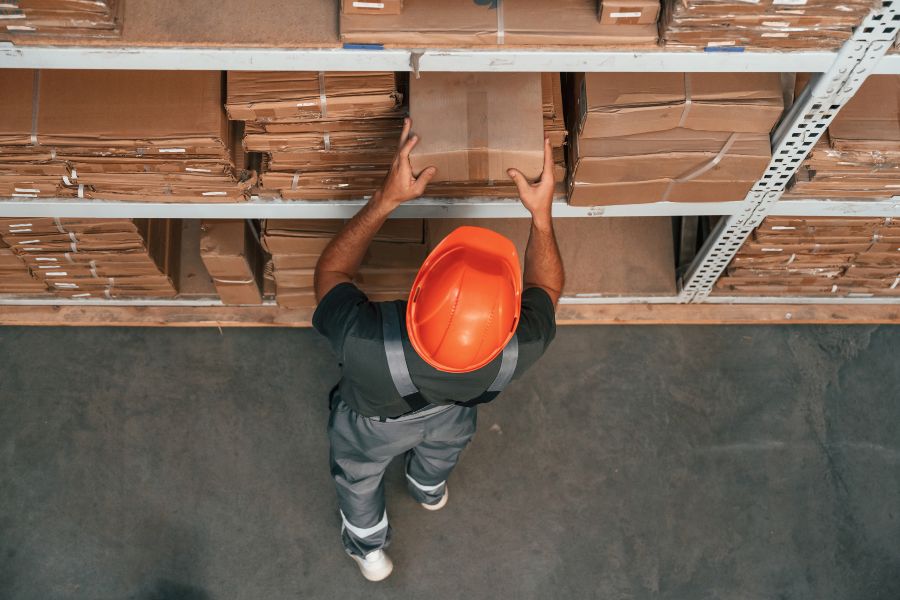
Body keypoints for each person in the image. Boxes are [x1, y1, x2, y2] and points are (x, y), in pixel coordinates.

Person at [312, 117, 565, 582]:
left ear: (415, 297)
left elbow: (331, 275)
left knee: (359, 478)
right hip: (453, 414)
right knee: (443, 448)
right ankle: (428, 488)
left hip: (374, 424)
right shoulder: (520, 348)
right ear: (509, 319)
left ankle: (369, 551)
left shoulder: (364, 340)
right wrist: (541, 216)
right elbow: (546, 284)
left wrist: (387, 199)